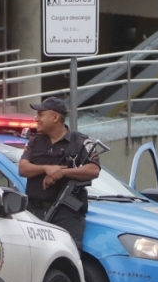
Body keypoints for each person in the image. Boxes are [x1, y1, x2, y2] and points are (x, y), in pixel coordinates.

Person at [18, 97, 100, 246]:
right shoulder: (35, 141)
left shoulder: (78, 141)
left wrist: (62, 173)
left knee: (66, 256)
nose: (36, 119)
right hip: (35, 213)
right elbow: (23, 168)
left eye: (41, 114)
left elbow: (93, 170)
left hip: (66, 215)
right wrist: (46, 169)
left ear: (55, 117)